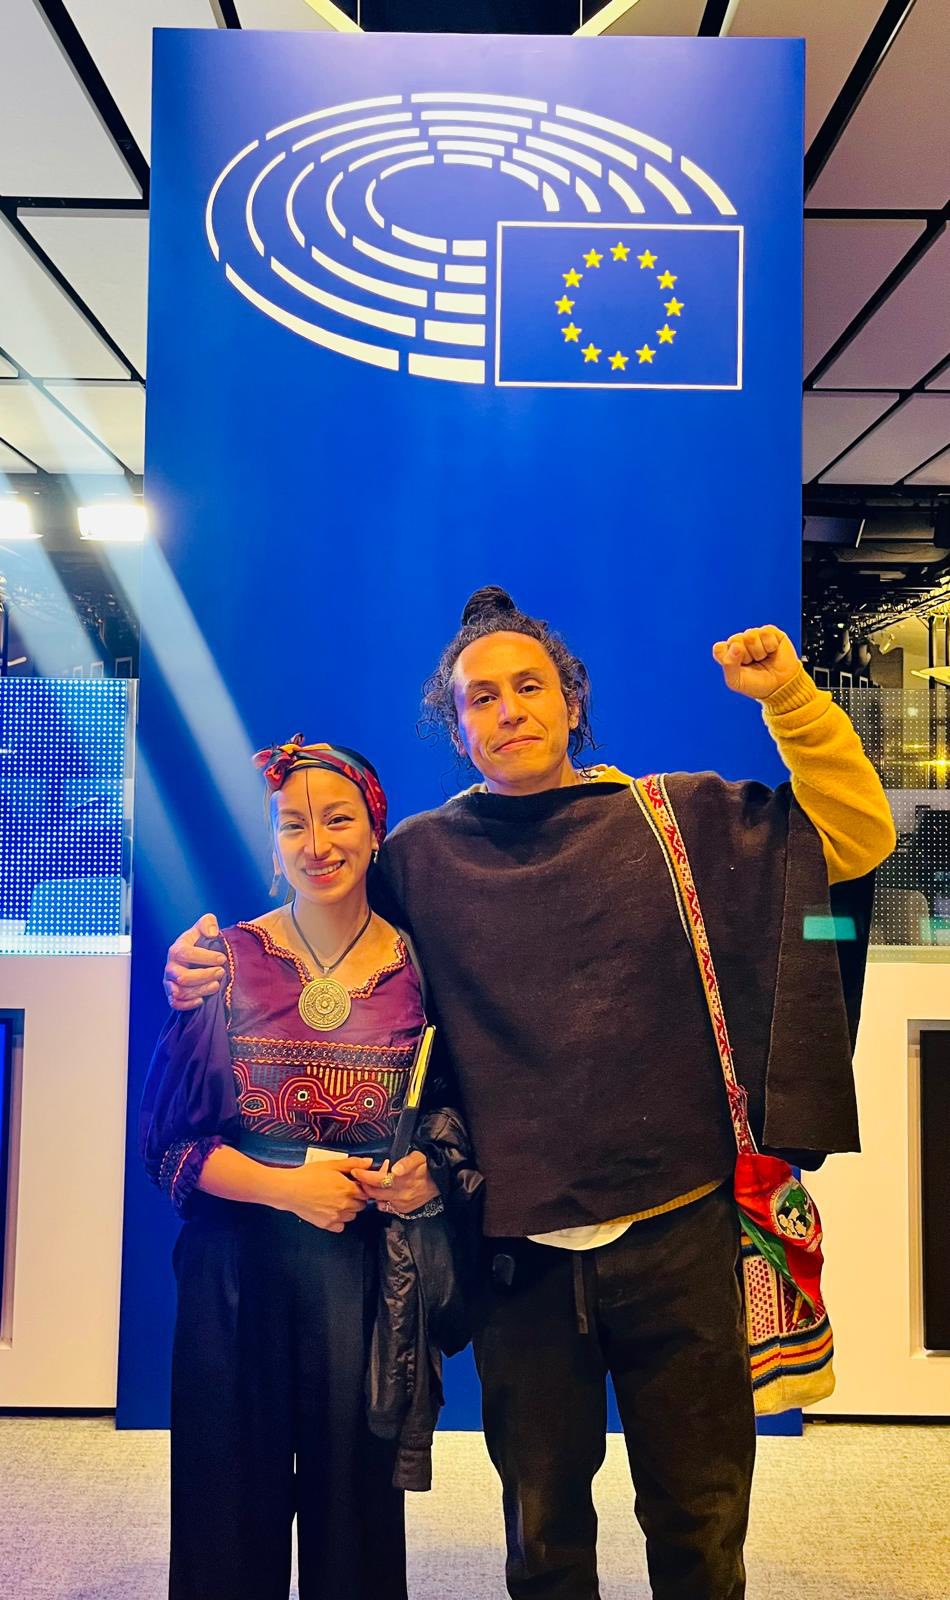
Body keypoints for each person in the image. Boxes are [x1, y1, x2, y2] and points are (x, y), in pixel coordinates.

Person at [164, 593, 896, 1600]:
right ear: (456, 729)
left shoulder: (675, 819)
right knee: (544, 1541)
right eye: (480, 697)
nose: (508, 709)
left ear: (570, 702)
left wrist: (790, 701)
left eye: (529, 686)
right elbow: (324, 923)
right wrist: (207, 962)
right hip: (519, 1259)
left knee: (698, 1523)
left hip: (677, 1235)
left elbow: (853, 837)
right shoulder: (420, 856)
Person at [142, 739, 480, 1600]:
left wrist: (425, 1175)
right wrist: (287, 1189)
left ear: (375, 832)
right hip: (234, 1272)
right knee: (226, 1510)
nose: (316, 844)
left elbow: (456, 1117)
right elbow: (172, 1148)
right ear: (274, 842)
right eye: (293, 824)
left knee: (356, 1523)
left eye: (337, 820)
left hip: (365, 1278)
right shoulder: (221, 964)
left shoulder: (420, 971)